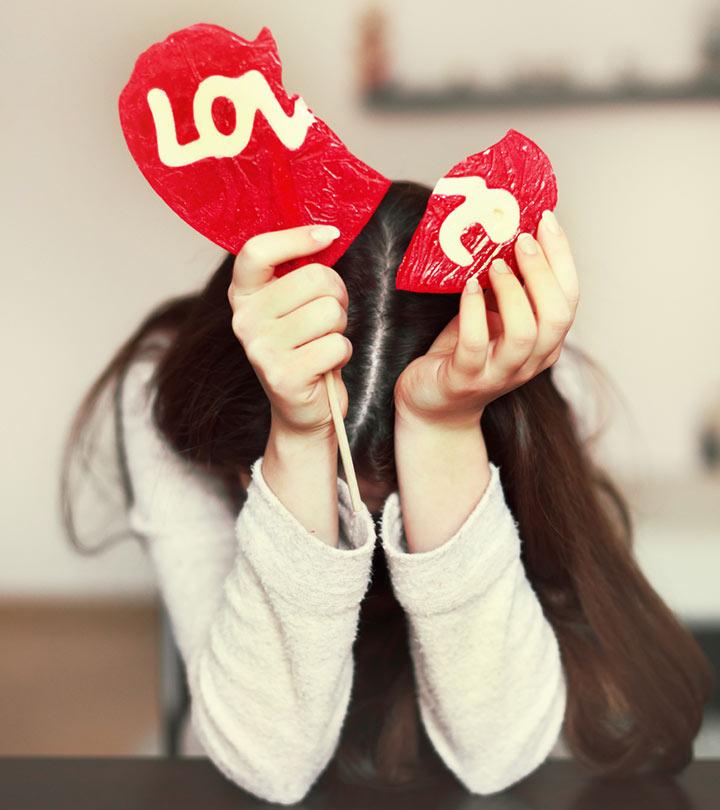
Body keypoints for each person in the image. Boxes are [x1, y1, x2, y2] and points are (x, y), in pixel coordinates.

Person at [61, 180, 714, 804]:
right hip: (257, 730)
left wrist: (443, 430)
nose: (366, 533)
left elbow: (498, 753)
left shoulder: (511, 376)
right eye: (349, 503)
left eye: (381, 507)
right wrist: (298, 445)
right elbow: (270, 762)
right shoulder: (168, 392)